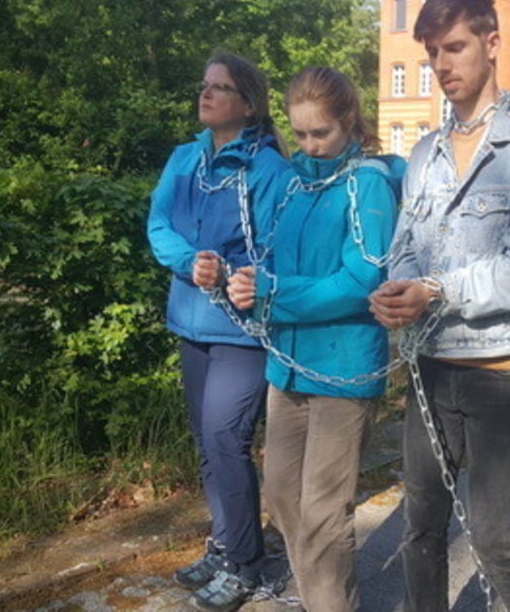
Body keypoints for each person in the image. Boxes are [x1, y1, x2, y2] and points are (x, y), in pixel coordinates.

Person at [368, 0, 510, 610]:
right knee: (421, 525)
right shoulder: (425, 152)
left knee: (495, 536)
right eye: (432, 52)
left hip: (504, 369)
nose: (442, 66)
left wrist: (435, 290)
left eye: (453, 47)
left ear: (492, 42)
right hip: (431, 369)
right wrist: (400, 288)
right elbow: (405, 243)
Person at [227, 66, 402, 612]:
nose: (308, 144)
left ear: (349, 120)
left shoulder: (367, 182)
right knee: (280, 495)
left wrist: (274, 293)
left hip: (344, 368)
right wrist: (247, 279)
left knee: (326, 515)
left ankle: (327, 604)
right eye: (299, 133)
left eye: (319, 133)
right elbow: (272, 257)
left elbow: (362, 281)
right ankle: (322, 596)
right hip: (288, 366)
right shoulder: (295, 182)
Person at [147, 52, 288, 610]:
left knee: (227, 440)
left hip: (241, 331)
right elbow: (158, 223)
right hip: (190, 319)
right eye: (204, 84)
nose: (206, 94)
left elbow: (280, 247)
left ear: (248, 105)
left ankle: (247, 565)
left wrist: (241, 274)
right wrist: (190, 261)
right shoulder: (184, 159)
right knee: (208, 443)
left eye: (220, 87)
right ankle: (226, 542)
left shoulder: (270, 170)